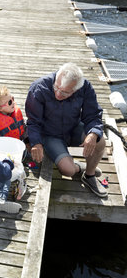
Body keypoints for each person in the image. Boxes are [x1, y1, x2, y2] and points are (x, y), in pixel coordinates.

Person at [25, 62, 108, 198]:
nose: (58, 94)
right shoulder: (38, 88)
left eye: (64, 92)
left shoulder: (85, 87)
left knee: (100, 141)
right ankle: (78, 167)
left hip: (73, 127)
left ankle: (89, 175)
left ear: (76, 89)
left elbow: (93, 115)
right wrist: (36, 143)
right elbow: (33, 122)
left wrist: (93, 134)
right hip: (51, 135)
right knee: (68, 171)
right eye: (56, 87)